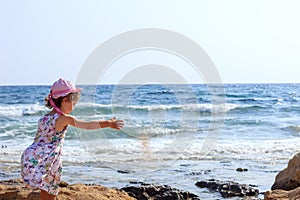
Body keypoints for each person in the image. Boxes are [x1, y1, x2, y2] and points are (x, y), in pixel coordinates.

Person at [20, 78, 123, 200]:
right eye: (73, 103)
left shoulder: (45, 118)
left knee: (45, 191)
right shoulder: (64, 118)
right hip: (50, 160)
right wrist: (107, 123)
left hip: (35, 156)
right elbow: (87, 125)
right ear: (65, 100)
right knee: (51, 192)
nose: (73, 106)